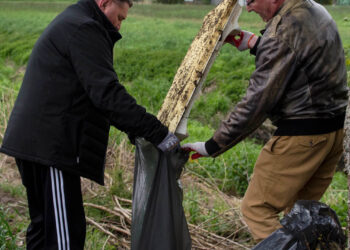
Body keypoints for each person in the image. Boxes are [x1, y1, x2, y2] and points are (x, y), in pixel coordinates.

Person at [0, 0, 179, 249]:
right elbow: (106, 93)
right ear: (104, 2)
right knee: (64, 239)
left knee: (43, 232)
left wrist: (135, 130)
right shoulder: (85, 28)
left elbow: (91, 95)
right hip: (50, 148)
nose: (118, 26)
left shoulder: (75, 20)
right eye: (119, 17)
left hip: (37, 144)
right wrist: (158, 134)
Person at [182, 0, 348, 243]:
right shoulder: (312, 9)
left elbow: (256, 102)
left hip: (302, 137)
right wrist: (255, 43)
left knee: (256, 209)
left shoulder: (282, 30)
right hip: (333, 133)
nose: (248, 8)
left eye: (251, 1)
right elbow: (299, 54)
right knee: (301, 217)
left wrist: (212, 146)